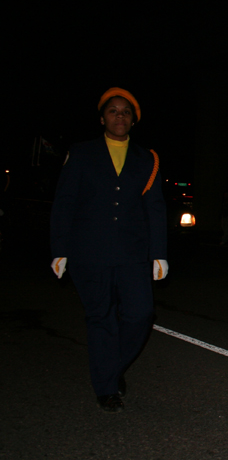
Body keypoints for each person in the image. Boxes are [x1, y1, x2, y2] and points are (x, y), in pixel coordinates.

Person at [50, 87, 168, 413]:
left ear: (133, 120)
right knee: (101, 318)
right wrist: (59, 249)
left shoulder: (148, 159)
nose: (120, 116)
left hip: (132, 252)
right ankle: (106, 387)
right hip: (89, 252)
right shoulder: (82, 152)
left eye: (126, 112)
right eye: (114, 111)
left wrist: (159, 253)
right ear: (102, 118)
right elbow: (65, 203)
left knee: (140, 314)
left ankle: (110, 369)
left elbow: (154, 209)